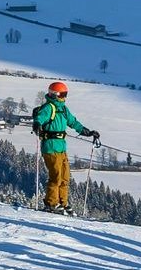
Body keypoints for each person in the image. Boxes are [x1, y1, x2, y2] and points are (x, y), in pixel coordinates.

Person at [29, 81, 95, 213]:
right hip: (50, 146)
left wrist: (87, 132)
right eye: (63, 94)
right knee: (56, 176)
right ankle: (51, 203)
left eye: (65, 94)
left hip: (61, 147)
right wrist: (37, 125)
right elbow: (40, 118)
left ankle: (63, 203)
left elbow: (73, 122)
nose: (65, 97)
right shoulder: (49, 108)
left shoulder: (64, 109)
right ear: (55, 94)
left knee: (65, 176)